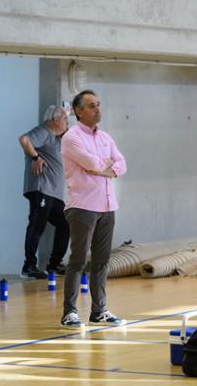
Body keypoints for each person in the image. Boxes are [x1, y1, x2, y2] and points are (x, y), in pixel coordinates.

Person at [60, 90, 127, 329]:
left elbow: (121, 164)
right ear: (78, 111)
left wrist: (103, 167)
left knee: (101, 261)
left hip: (107, 206)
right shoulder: (71, 137)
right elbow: (91, 163)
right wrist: (102, 165)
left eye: (98, 104)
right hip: (83, 206)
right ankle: (70, 313)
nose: (97, 109)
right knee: (78, 260)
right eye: (91, 106)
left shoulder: (106, 138)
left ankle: (99, 311)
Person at [18, 105, 70, 279]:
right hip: (42, 188)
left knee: (65, 225)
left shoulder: (55, 139)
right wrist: (35, 157)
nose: (67, 123)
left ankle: (54, 265)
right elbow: (24, 139)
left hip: (54, 193)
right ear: (54, 120)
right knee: (36, 225)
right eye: (64, 119)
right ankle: (28, 267)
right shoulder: (43, 131)